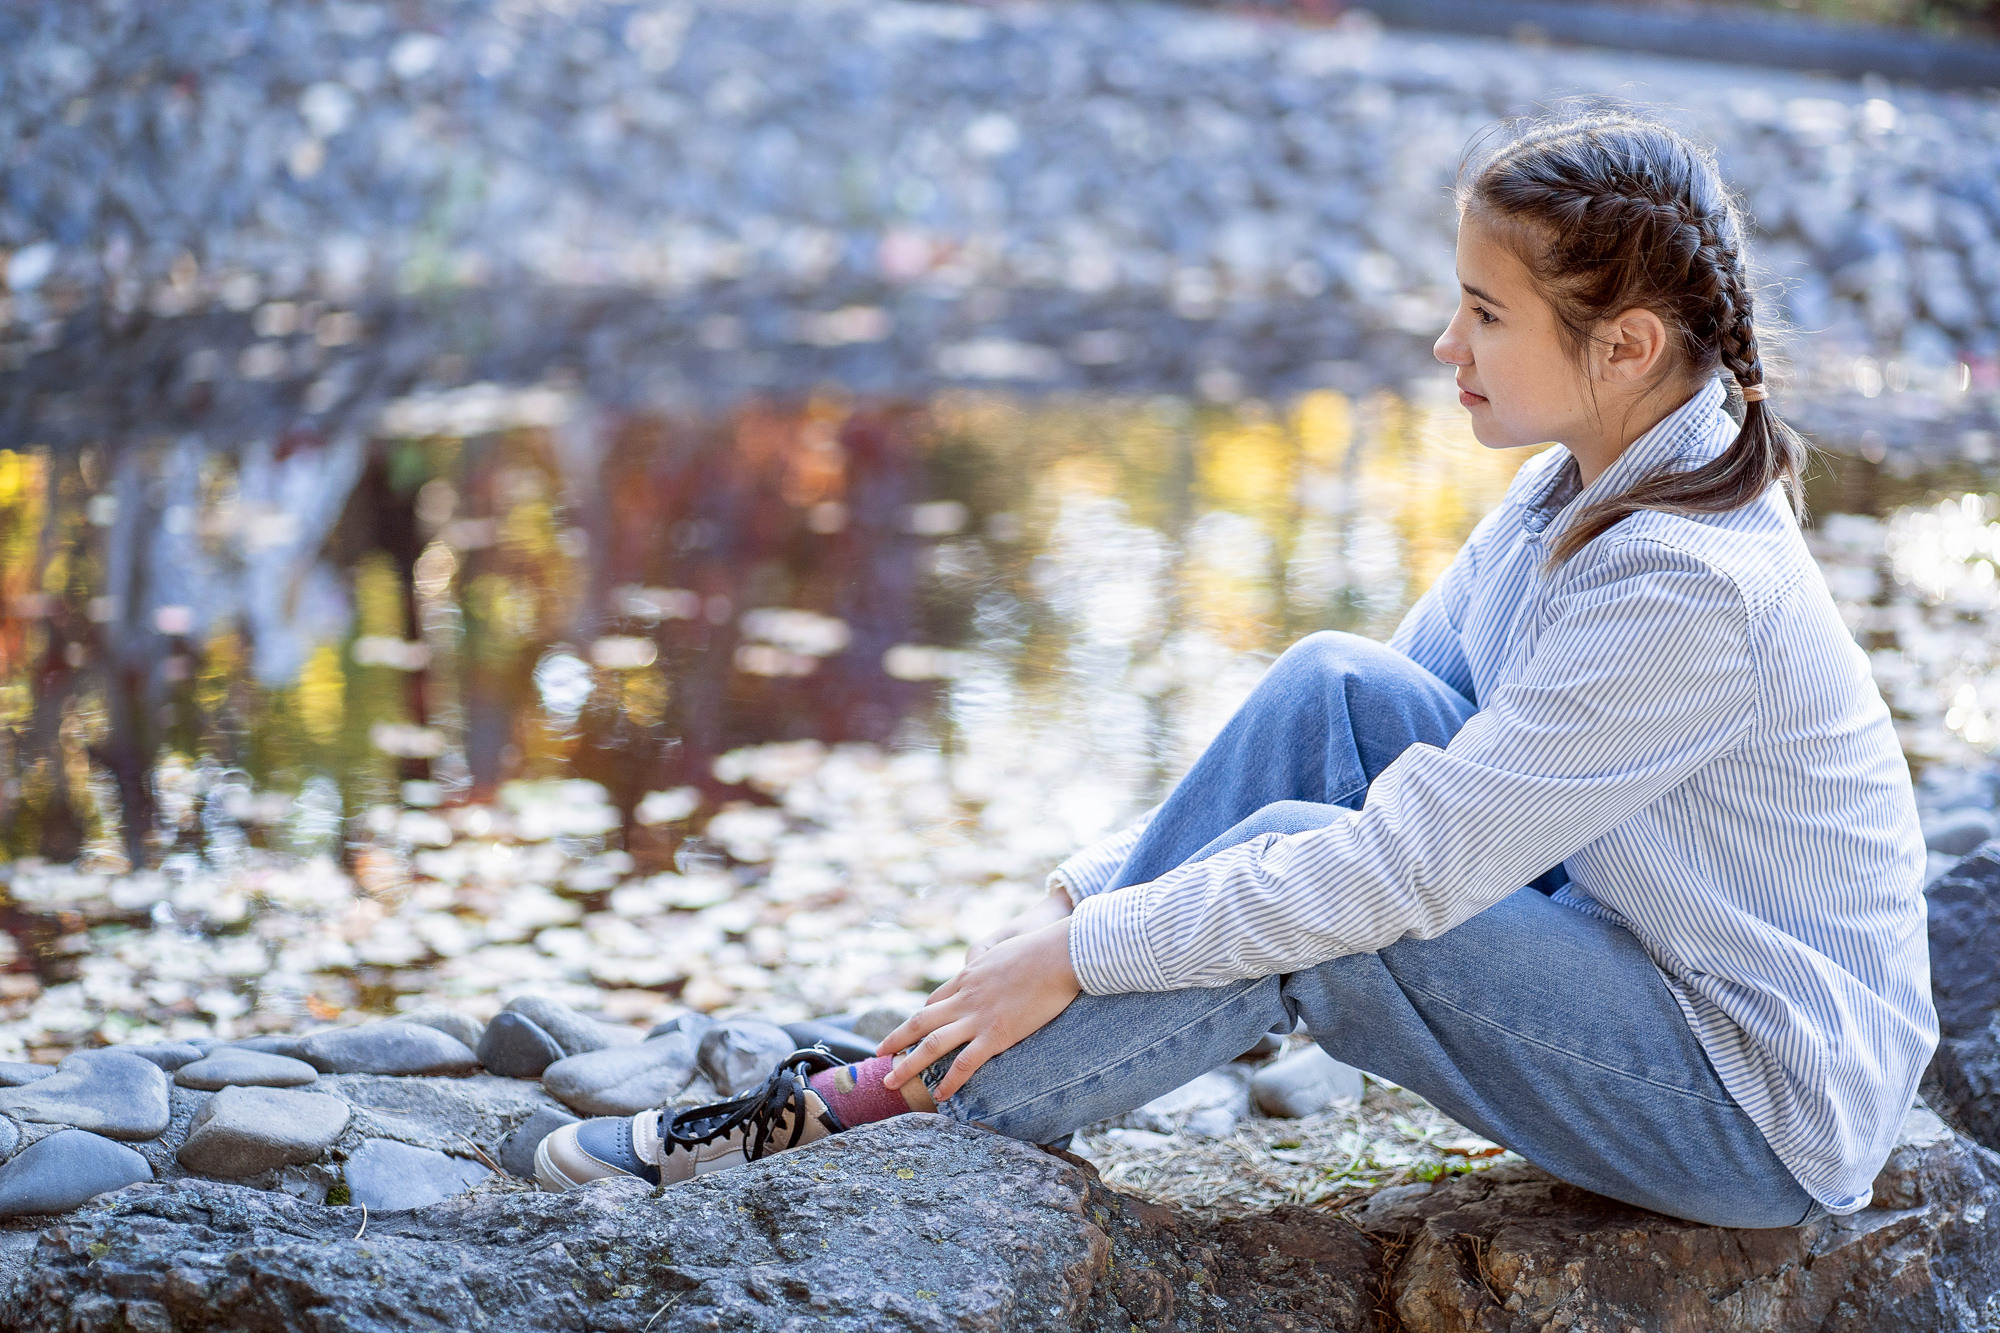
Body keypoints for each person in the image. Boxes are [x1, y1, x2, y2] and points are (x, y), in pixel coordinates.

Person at [536, 111, 1935, 1227]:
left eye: (1485, 315)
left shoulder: (1688, 585)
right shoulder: (1593, 483)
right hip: (1641, 960)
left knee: (1337, 894)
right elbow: (1365, 721)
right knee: (1335, 684)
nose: (1445, 345)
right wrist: (1073, 902)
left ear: (1627, 345)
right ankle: (933, 1054)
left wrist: (1087, 953)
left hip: (1752, 1107)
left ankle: (894, 1113)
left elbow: (1399, 870)